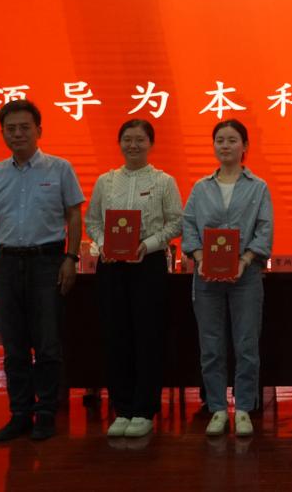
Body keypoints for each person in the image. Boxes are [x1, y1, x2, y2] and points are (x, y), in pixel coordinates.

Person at [0, 99, 85, 442]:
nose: (17, 134)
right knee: (14, 344)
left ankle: (46, 412)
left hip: (47, 261)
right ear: (3, 133)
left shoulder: (60, 169)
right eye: (11, 129)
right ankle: (20, 413)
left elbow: (74, 215)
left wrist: (71, 258)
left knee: (48, 342)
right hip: (5, 263)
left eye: (24, 127)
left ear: (39, 130)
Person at [85, 119, 183, 438]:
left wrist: (147, 245)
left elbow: (176, 223)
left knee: (148, 336)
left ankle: (143, 410)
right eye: (127, 139)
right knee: (116, 336)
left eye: (140, 139)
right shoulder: (106, 181)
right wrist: (104, 244)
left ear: (151, 144)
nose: (133, 145)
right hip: (111, 267)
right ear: (119, 143)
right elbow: (92, 222)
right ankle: (122, 408)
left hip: (148, 266)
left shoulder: (164, 181)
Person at [182, 119, 273, 437]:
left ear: (245, 146)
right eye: (220, 140)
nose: (225, 145)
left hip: (245, 278)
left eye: (232, 140)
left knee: (246, 344)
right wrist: (200, 257)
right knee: (211, 346)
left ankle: (244, 408)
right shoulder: (200, 187)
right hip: (206, 278)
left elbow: (264, 229)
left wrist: (245, 260)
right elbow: (188, 225)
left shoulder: (258, 187)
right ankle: (218, 408)